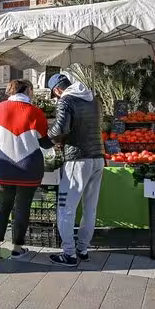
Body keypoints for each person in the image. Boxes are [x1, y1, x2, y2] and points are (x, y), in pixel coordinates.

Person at [0, 79, 50, 260]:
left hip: (3, 165)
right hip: (28, 167)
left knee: (3, 205)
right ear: (28, 90)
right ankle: (17, 249)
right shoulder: (36, 112)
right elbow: (45, 142)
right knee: (22, 207)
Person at [47, 73, 104, 267]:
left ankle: (69, 254)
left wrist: (46, 139)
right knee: (90, 208)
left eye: (54, 95)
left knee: (66, 208)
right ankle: (83, 249)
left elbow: (61, 128)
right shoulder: (92, 99)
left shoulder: (66, 100)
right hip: (97, 158)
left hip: (77, 160)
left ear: (57, 90)